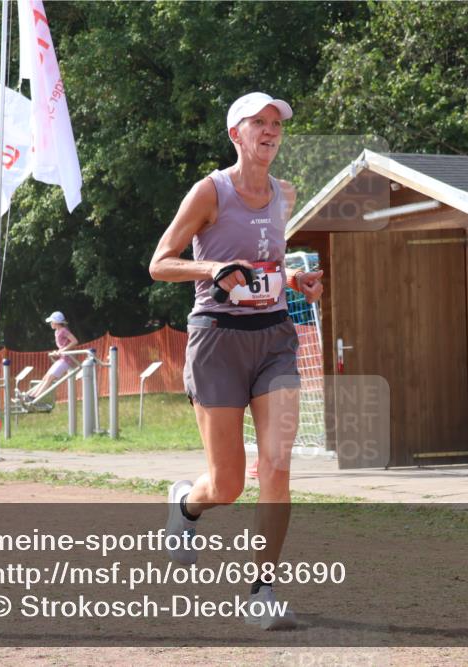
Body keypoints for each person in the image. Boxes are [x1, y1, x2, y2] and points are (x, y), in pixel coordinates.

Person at [149, 91, 323, 630]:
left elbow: (268, 261)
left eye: (277, 124)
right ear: (236, 135)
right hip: (217, 339)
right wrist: (213, 270)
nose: (271, 130)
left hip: (273, 336)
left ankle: (262, 591)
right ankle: (187, 504)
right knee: (228, 484)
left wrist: (294, 280)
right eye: (259, 123)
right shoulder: (209, 191)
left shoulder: (285, 193)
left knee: (276, 465)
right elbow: (160, 263)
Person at [24, 311, 79, 401]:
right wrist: (58, 351)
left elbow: (75, 341)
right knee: (46, 377)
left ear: (56, 322)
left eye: (52, 322)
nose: (50, 323)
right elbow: (63, 346)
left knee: (49, 378)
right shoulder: (57, 332)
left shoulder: (64, 330)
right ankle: (28, 395)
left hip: (67, 359)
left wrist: (62, 350)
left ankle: (34, 398)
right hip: (63, 358)